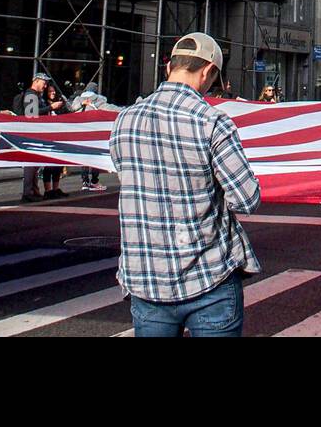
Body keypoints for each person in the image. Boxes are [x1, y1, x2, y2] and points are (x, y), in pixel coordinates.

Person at [109, 32, 260, 337]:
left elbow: (124, 171)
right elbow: (247, 198)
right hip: (208, 277)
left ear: (169, 68)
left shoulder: (124, 120)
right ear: (208, 72)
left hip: (147, 277)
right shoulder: (212, 121)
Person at [13, 73, 49, 202]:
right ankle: (27, 193)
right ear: (36, 81)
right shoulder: (31, 95)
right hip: (30, 134)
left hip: (33, 133)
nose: (45, 86)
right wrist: (51, 107)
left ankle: (34, 190)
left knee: (34, 163)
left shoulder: (35, 95)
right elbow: (31, 113)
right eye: (44, 82)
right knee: (31, 163)